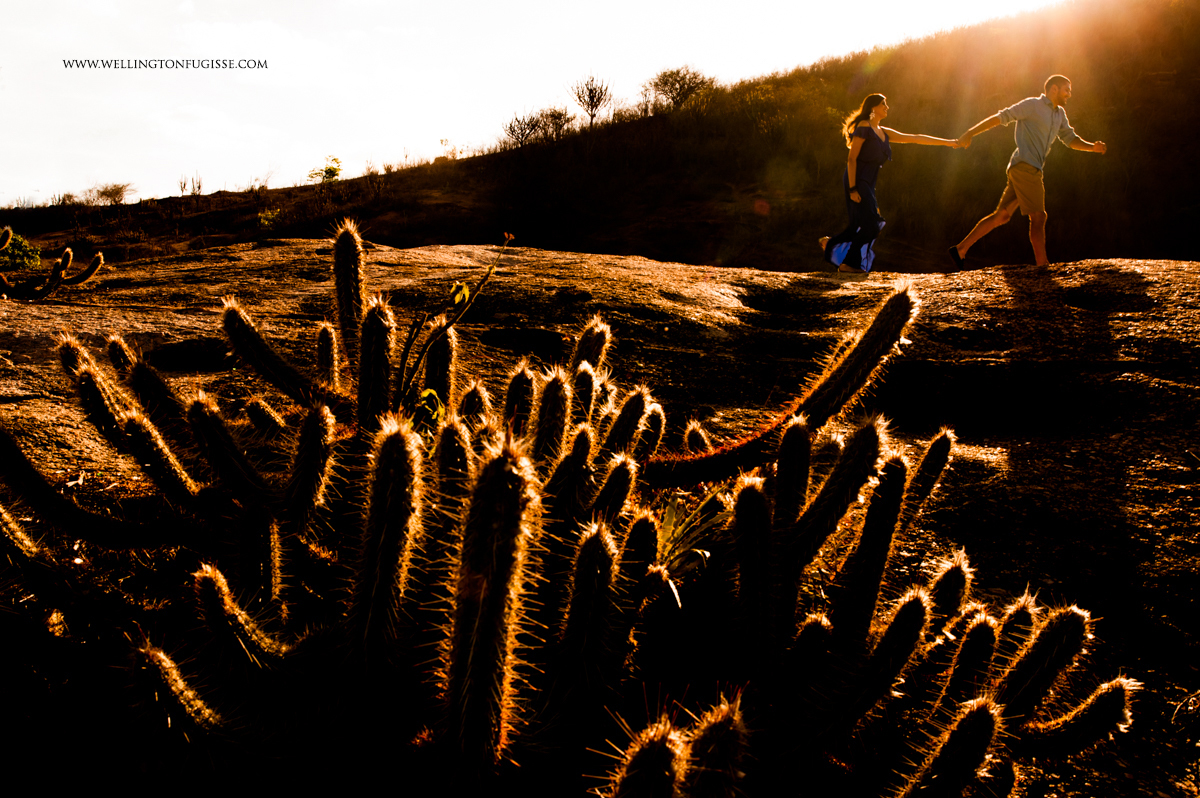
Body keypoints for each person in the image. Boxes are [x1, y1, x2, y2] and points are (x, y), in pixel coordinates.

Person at [948, 75, 1107, 269]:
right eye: (1067, 90)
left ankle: (960, 249)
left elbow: (1070, 138)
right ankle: (1042, 265)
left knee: (1001, 216)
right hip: (1026, 168)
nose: (1069, 94)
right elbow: (1001, 117)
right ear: (1054, 89)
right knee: (1039, 217)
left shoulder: (1059, 114)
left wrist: (1092, 147)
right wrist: (969, 133)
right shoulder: (1032, 105)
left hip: (1024, 168)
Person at [822, 94, 961, 273]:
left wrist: (949, 143)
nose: (887, 107)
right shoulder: (864, 126)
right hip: (857, 179)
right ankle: (847, 262)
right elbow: (851, 159)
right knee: (872, 224)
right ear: (873, 107)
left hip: (868, 183)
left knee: (866, 224)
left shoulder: (883, 132)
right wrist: (853, 188)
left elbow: (915, 137)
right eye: (883, 104)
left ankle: (832, 245)